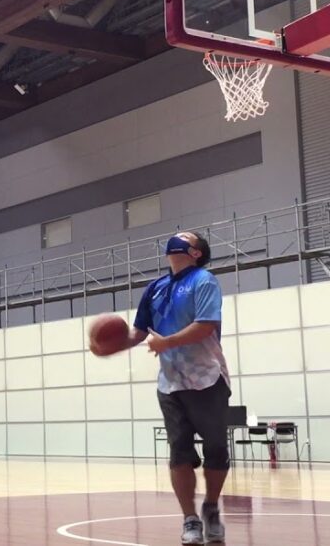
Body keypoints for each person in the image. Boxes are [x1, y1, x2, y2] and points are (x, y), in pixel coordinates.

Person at [119, 232, 230, 544]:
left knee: (217, 449)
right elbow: (139, 333)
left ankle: (210, 508)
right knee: (178, 452)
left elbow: (206, 325)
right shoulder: (154, 288)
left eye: (185, 237)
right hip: (170, 383)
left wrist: (166, 342)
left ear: (195, 252)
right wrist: (110, 345)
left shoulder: (204, 280)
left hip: (208, 378)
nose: (175, 239)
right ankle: (190, 519)